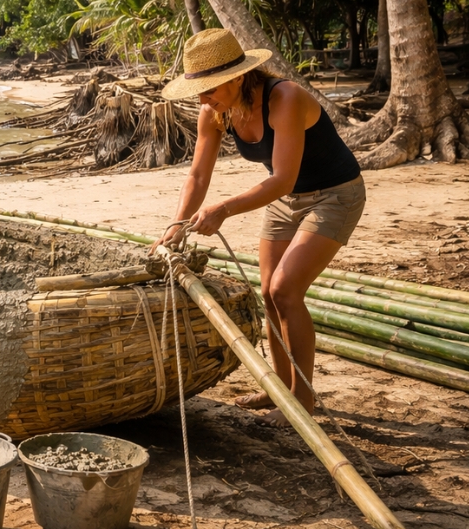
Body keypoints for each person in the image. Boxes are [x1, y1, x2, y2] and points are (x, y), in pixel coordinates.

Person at [155, 29, 365, 427]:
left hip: (334, 195)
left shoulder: (284, 98)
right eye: (198, 91)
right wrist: (177, 224)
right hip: (285, 200)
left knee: (285, 290)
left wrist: (225, 209)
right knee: (267, 295)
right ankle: (279, 389)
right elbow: (198, 176)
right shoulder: (214, 111)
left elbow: (282, 178)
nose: (203, 100)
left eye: (209, 89)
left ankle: (302, 403)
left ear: (238, 77)